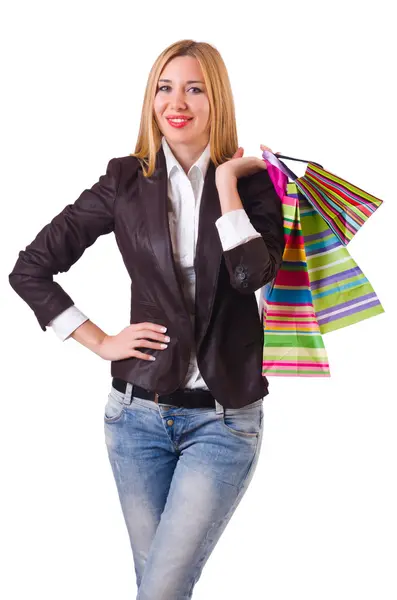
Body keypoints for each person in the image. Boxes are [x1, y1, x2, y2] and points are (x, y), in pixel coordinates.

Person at [9, 39, 285, 599]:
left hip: (224, 421)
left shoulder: (256, 185)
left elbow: (251, 277)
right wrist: (100, 341)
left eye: (193, 88)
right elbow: (31, 268)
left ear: (217, 100)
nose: (175, 101)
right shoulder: (124, 181)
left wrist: (228, 183)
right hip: (134, 419)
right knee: (158, 588)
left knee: (159, 589)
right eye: (164, 87)